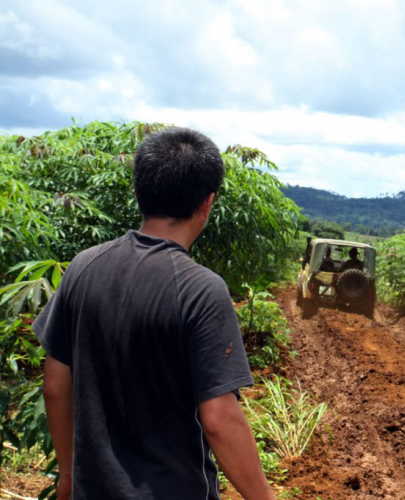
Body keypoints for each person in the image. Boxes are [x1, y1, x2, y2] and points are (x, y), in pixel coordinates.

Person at [35, 128, 275, 500]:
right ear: (207, 203)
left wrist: (67, 476)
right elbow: (219, 420)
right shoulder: (201, 289)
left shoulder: (84, 267)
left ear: (138, 193)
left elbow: (54, 385)